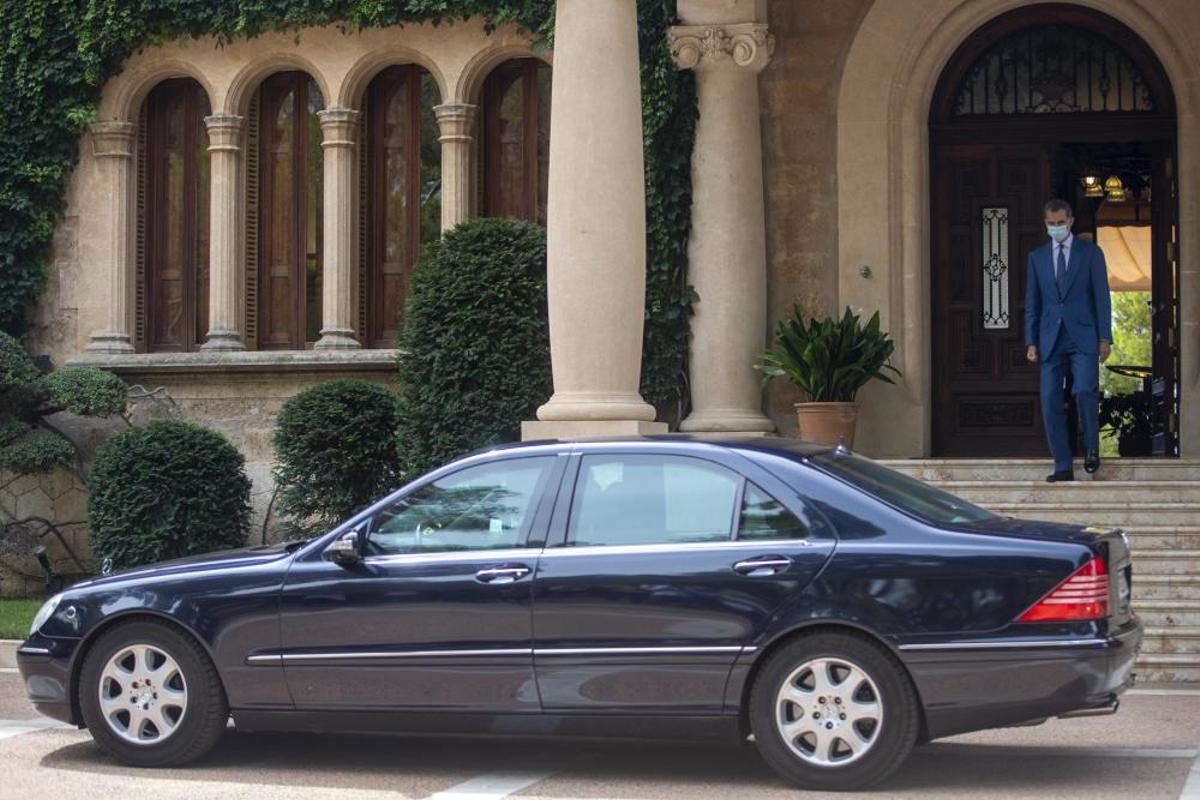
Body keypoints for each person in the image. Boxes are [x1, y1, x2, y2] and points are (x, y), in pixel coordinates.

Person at [1025, 198, 1113, 482]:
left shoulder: (1091, 253)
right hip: (1050, 337)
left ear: (1071, 221)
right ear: (1045, 223)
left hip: (1083, 336)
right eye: (1051, 224)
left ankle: (1091, 448)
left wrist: (1104, 337)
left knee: (1084, 390)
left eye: (1060, 223)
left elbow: (1102, 297)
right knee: (1049, 399)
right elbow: (1033, 302)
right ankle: (1062, 464)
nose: (1056, 227)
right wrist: (1031, 341)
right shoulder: (1037, 258)